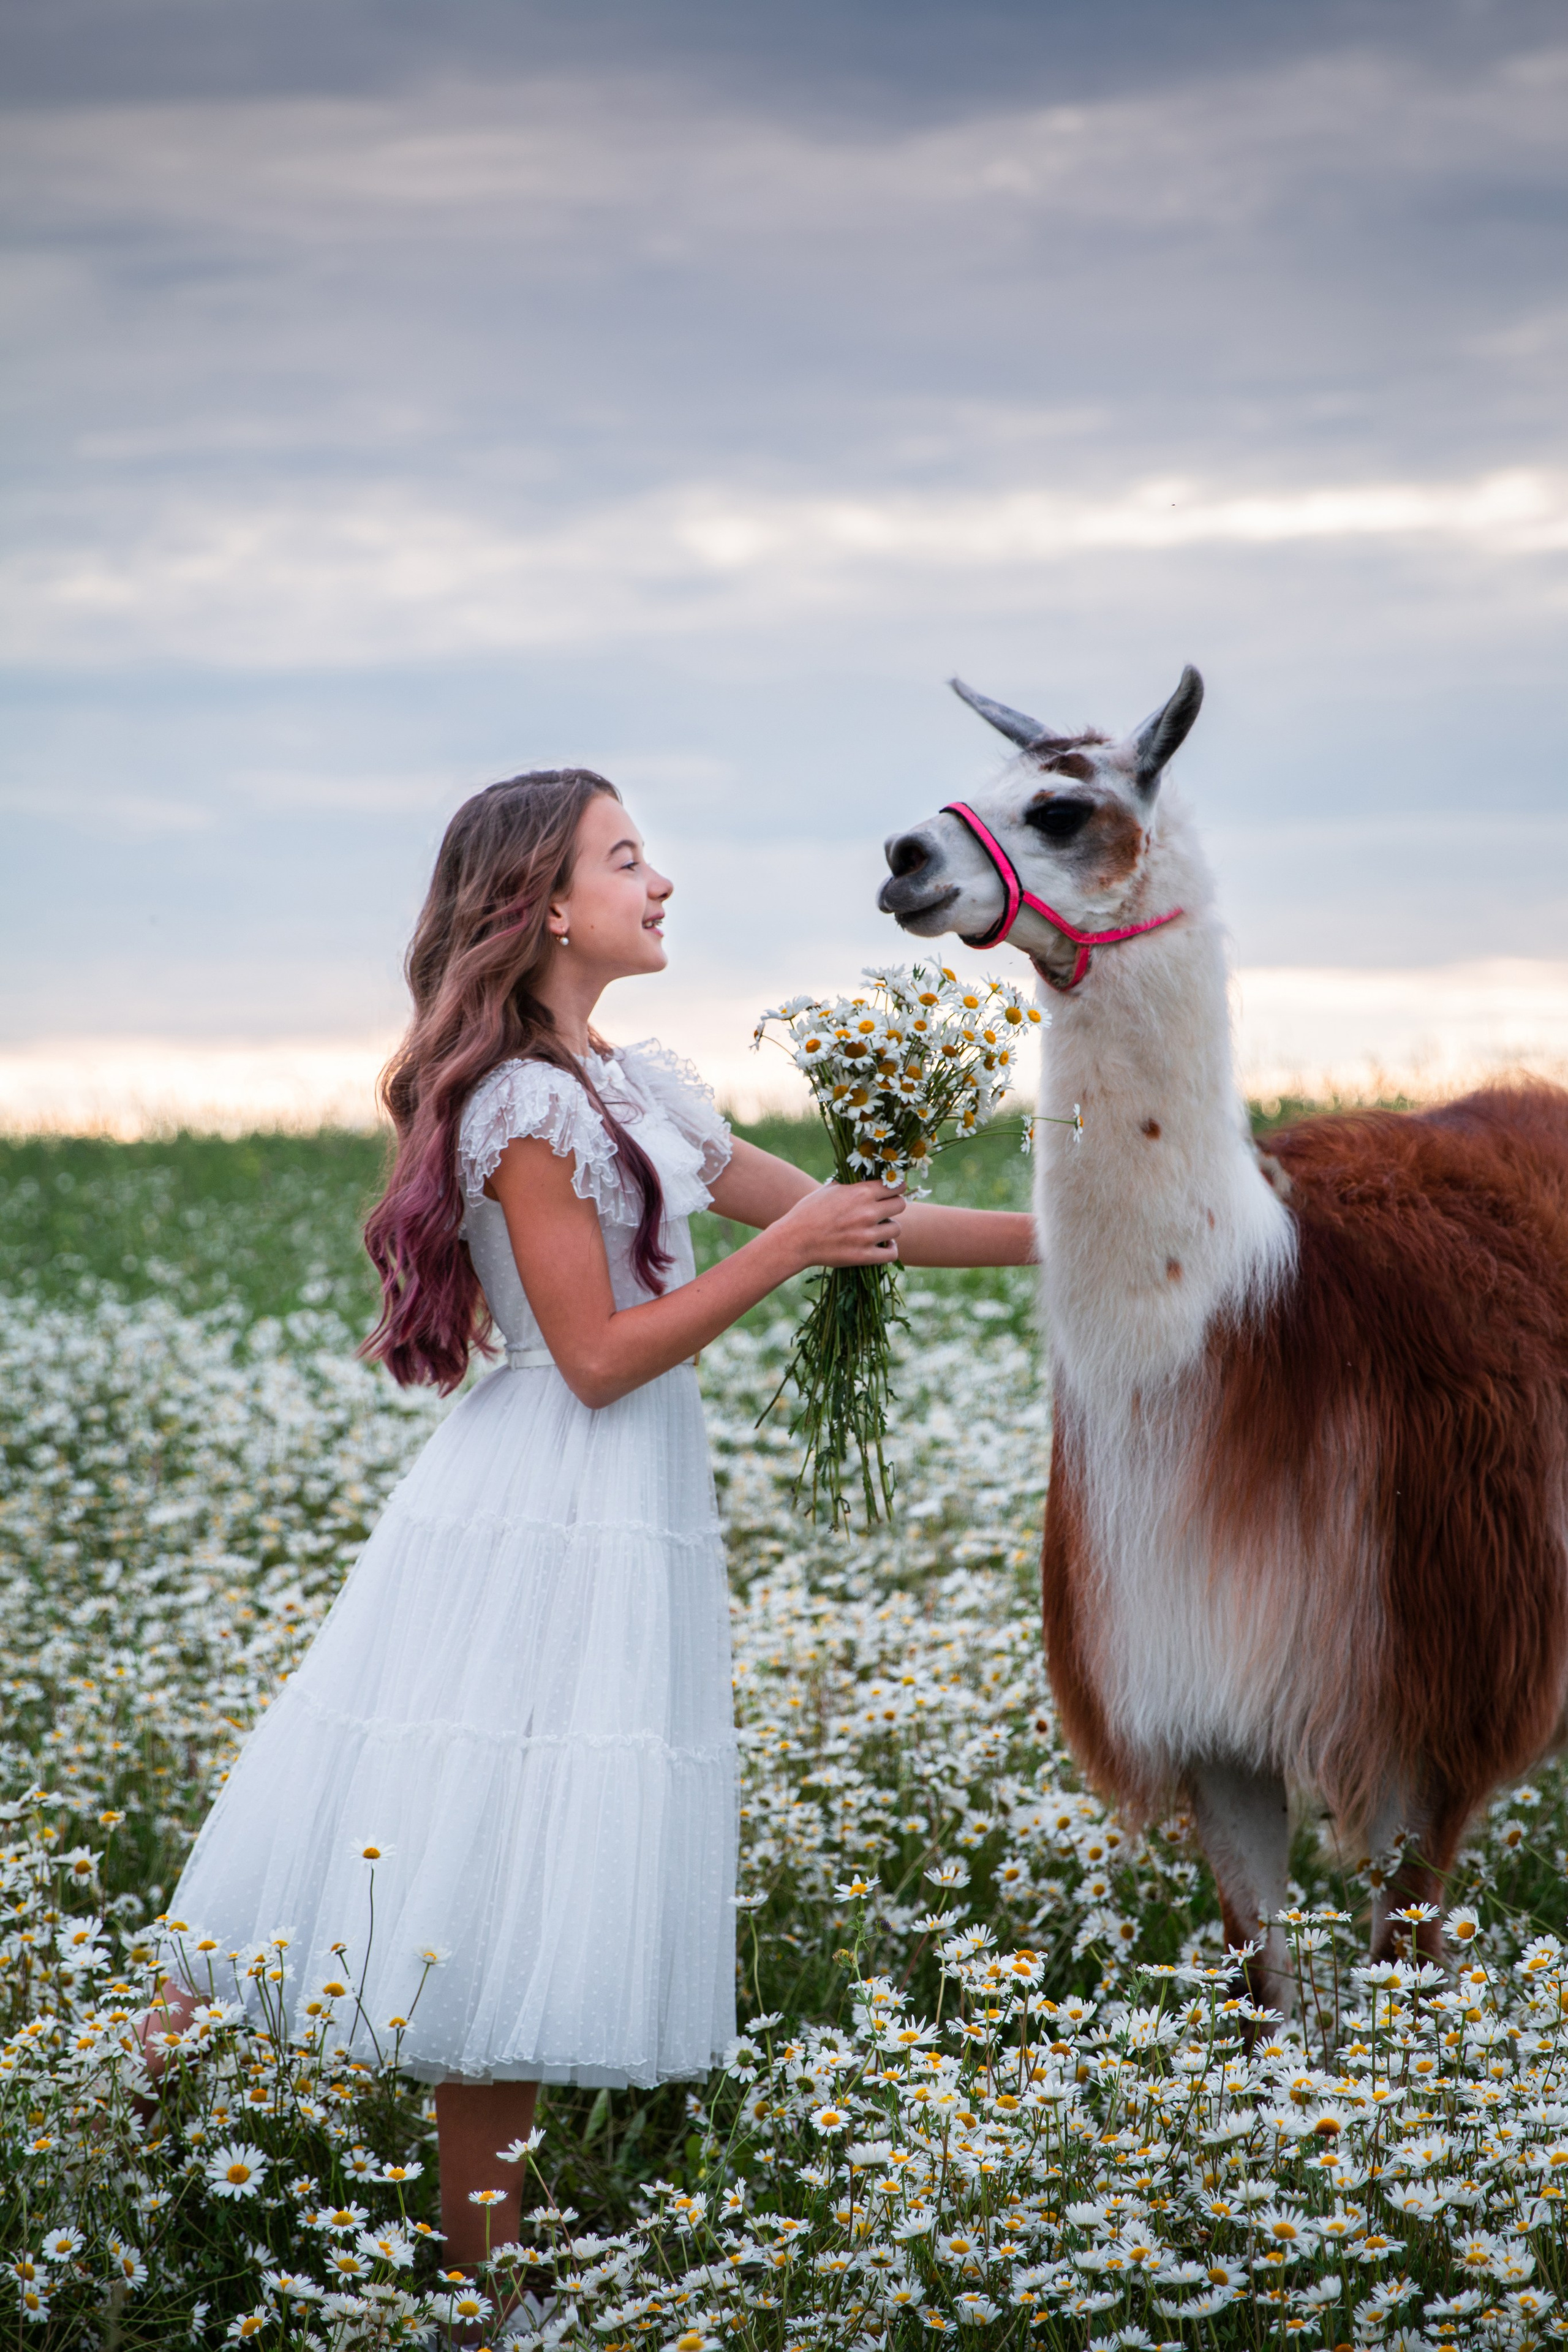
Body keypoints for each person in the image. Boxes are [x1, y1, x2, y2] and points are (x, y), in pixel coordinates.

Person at [151, 767, 1034, 2289]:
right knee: (445, 1848)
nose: (660, 881)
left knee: (513, 1884)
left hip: (619, 1511)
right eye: (626, 859)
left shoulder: (635, 1085)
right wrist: (791, 1250)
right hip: (537, 1508)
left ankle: (476, 2295)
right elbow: (597, 1359)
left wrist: (1087, 1239)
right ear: (547, 907)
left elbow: (859, 1221)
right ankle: (126, 2149)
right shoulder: (524, 1103)